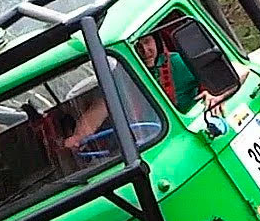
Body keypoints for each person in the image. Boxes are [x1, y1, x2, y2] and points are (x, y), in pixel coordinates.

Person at [64, 33, 228, 149]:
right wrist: (77, 138)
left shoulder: (178, 62)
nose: (145, 50)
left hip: (192, 131)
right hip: (155, 142)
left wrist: (216, 94)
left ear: (156, 41)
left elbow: (236, 69)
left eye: (147, 41)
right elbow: (97, 111)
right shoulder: (122, 77)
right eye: (137, 46)